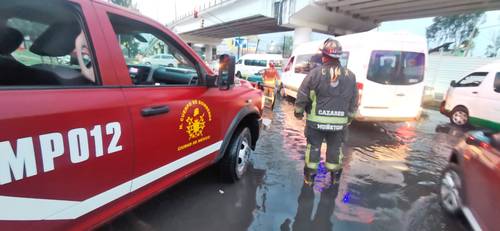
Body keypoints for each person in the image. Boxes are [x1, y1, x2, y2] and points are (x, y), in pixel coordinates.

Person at [294, 38, 358, 185]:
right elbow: (354, 100)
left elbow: (302, 95)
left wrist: (298, 113)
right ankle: (335, 180)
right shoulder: (350, 76)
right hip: (339, 125)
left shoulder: (314, 73)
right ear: (339, 56)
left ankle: (309, 180)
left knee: (313, 149)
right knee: (335, 150)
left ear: (324, 56)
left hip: (316, 123)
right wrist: (348, 118)